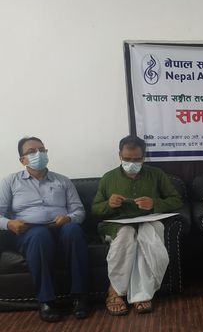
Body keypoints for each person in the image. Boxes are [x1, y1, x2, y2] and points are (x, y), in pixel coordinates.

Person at [0, 137, 89, 322]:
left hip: (60, 228)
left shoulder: (63, 181)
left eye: (42, 150)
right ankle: (46, 300)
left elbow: (79, 211)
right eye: (32, 152)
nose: (39, 154)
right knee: (39, 235)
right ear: (22, 160)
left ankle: (79, 296)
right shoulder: (10, 182)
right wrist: (9, 224)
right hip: (30, 232)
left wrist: (69, 218)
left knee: (73, 231)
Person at [92, 135, 182, 316]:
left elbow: (176, 200)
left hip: (148, 220)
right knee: (126, 234)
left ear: (144, 156)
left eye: (137, 159)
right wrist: (109, 204)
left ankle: (142, 294)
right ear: (119, 155)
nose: (132, 163)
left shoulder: (156, 174)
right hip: (117, 225)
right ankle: (115, 291)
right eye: (127, 159)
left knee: (147, 235)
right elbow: (95, 209)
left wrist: (154, 204)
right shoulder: (108, 178)